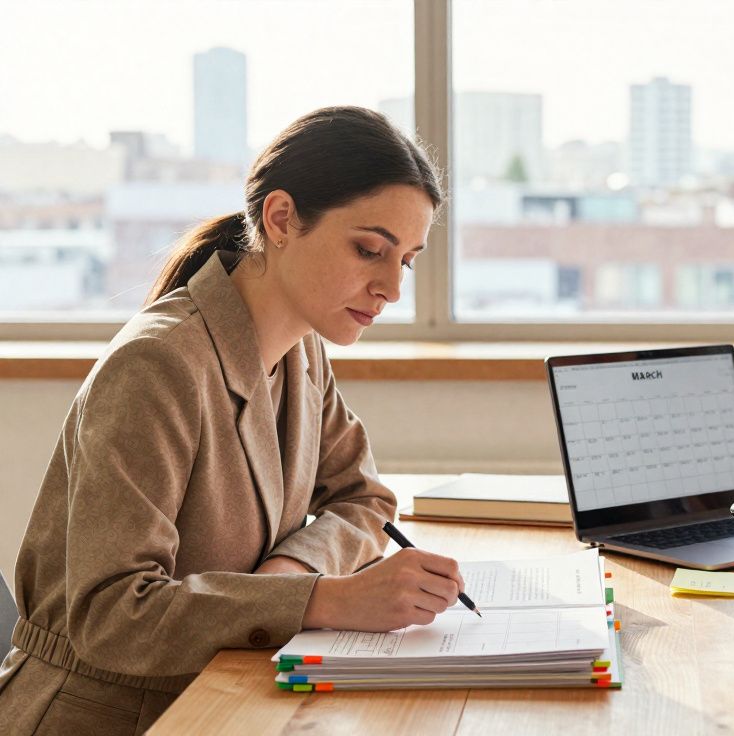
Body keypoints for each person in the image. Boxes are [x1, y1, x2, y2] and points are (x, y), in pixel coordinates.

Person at [0, 106, 467, 735]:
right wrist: (326, 599)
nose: (392, 288)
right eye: (368, 250)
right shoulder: (157, 364)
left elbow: (364, 499)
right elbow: (111, 616)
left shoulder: (302, 348)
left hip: (220, 691)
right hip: (102, 715)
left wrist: (290, 575)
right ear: (281, 219)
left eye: (405, 260)